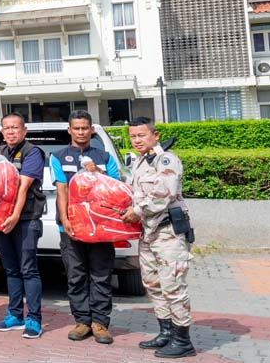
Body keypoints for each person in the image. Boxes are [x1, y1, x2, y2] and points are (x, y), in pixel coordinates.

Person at [123, 117, 196, 358]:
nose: (136, 140)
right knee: (153, 285)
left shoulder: (167, 159)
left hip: (169, 233)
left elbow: (164, 193)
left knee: (173, 286)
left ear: (155, 135)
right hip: (149, 233)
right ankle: (166, 332)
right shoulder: (141, 162)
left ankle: (183, 340)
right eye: (133, 136)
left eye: (141, 135)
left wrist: (137, 211)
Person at [50, 110, 122, 345]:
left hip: (100, 227)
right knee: (76, 276)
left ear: (91, 130)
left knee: (101, 275)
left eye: (85, 128)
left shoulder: (104, 156)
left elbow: (115, 187)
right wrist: (65, 220)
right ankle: (82, 321)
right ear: (69, 130)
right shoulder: (58, 157)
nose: (81, 132)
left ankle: (100, 323)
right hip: (72, 228)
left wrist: (97, 171)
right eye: (76, 128)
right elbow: (61, 190)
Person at [0, 112, 46, 339]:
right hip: (3, 220)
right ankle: (15, 315)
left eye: (15, 127)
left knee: (28, 269)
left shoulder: (33, 152)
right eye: (7, 128)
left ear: (24, 131)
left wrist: (14, 216)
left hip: (25, 220)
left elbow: (23, 187)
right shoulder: (1, 153)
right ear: (2, 132)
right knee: (11, 269)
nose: (11, 131)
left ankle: (34, 318)